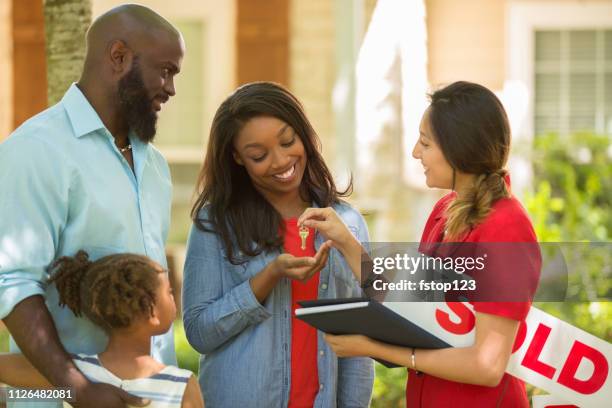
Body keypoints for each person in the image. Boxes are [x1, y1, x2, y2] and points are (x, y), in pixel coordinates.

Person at [298, 81, 541, 407]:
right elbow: (411, 306)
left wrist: (373, 349)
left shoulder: (506, 227)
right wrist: (345, 240)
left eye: (425, 143)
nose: (415, 152)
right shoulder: (444, 212)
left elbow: (487, 365)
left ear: (459, 149)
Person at [0, 5, 184, 408]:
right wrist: (78, 389)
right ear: (118, 57)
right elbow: (13, 285)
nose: (171, 88)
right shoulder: (35, 151)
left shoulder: (155, 166)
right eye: (165, 70)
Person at [182, 82, 374, 407]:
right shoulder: (215, 223)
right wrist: (268, 276)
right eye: (259, 155)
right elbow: (200, 333)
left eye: (288, 141)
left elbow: (359, 347)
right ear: (237, 158)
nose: (281, 161)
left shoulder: (347, 223)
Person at [0, 251, 204, 408]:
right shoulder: (181, 385)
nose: (173, 296)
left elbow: (11, 387)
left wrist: (9, 397)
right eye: (169, 292)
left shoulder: (77, 376)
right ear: (151, 311)